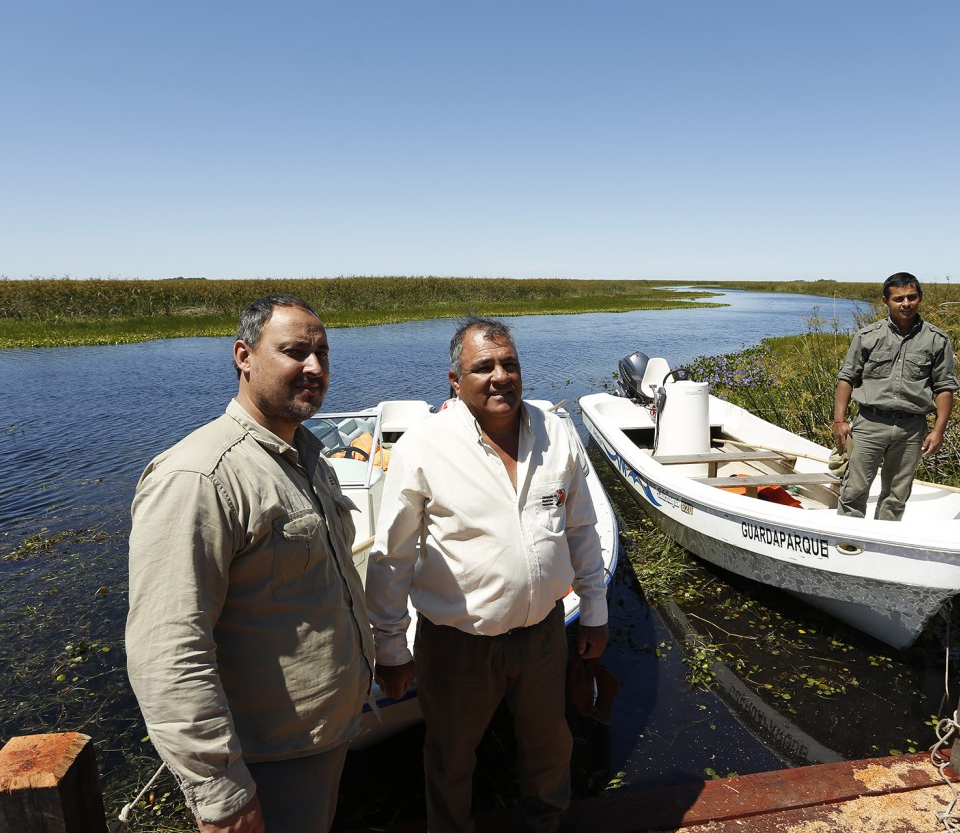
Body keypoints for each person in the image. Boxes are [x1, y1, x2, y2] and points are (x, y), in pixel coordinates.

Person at [126, 295, 374, 833]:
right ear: (244, 355)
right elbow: (167, 651)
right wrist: (220, 792)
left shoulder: (307, 455)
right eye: (293, 352)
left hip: (324, 735)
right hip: (266, 761)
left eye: (323, 354)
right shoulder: (198, 476)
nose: (314, 368)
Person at [366, 317, 610, 833]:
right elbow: (392, 557)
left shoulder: (555, 432)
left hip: (544, 635)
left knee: (550, 749)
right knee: (451, 760)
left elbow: (582, 527)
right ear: (454, 381)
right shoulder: (423, 446)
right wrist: (391, 647)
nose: (501, 376)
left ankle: (547, 824)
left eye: (510, 364)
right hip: (457, 646)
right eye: (483, 367)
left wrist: (594, 612)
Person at [832, 272, 959, 521]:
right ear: (885, 301)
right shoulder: (868, 337)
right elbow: (847, 378)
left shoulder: (937, 340)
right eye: (899, 298)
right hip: (870, 424)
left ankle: (883, 547)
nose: (906, 303)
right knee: (854, 490)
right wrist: (839, 420)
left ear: (920, 298)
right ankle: (848, 546)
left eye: (912, 297)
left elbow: (944, 387)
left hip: (911, 428)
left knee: (896, 495)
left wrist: (939, 430)